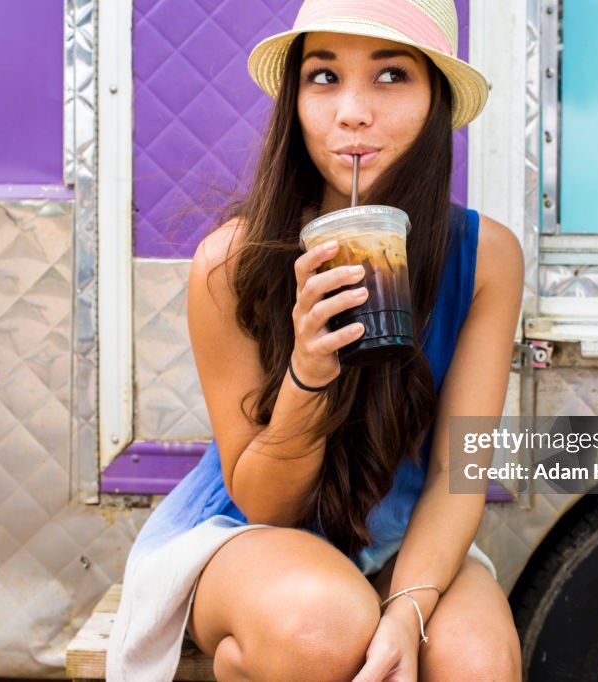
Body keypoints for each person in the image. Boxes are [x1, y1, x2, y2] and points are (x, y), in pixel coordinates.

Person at [107, 1, 524, 680]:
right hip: (250, 534)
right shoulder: (231, 263)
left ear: (436, 102)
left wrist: (405, 611)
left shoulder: (487, 259)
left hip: (403, 532)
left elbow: (457, 473)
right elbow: (264, 503)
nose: (353, 111)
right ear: (295, 102)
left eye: (391, 76)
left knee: (476, 662)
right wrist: (308, 373)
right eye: (324, 77)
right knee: (324, 632)